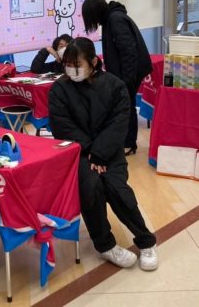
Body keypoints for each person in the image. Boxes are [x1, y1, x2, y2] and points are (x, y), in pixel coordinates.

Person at [48, 38, 158, 271]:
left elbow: (119, 122)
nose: (72, 70)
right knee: (91, 186)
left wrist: (100, 153)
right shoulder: (59, 89)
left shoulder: (115, 86)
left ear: (94, 62)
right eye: (68, 65)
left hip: (109, 152)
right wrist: (90, 151)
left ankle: (146, 241)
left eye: (77, 65)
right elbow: (62, 126)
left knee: (117, 188)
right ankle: (105, 245)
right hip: (78, 153)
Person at [82, 0, 152, 155]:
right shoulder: (111, 18)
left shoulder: (115, 19)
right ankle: (124, 140)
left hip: (130, 72)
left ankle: (129, 143)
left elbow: (129, 52)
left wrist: (126, 81)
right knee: (123, 105)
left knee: (126, 105)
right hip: (124, 72)